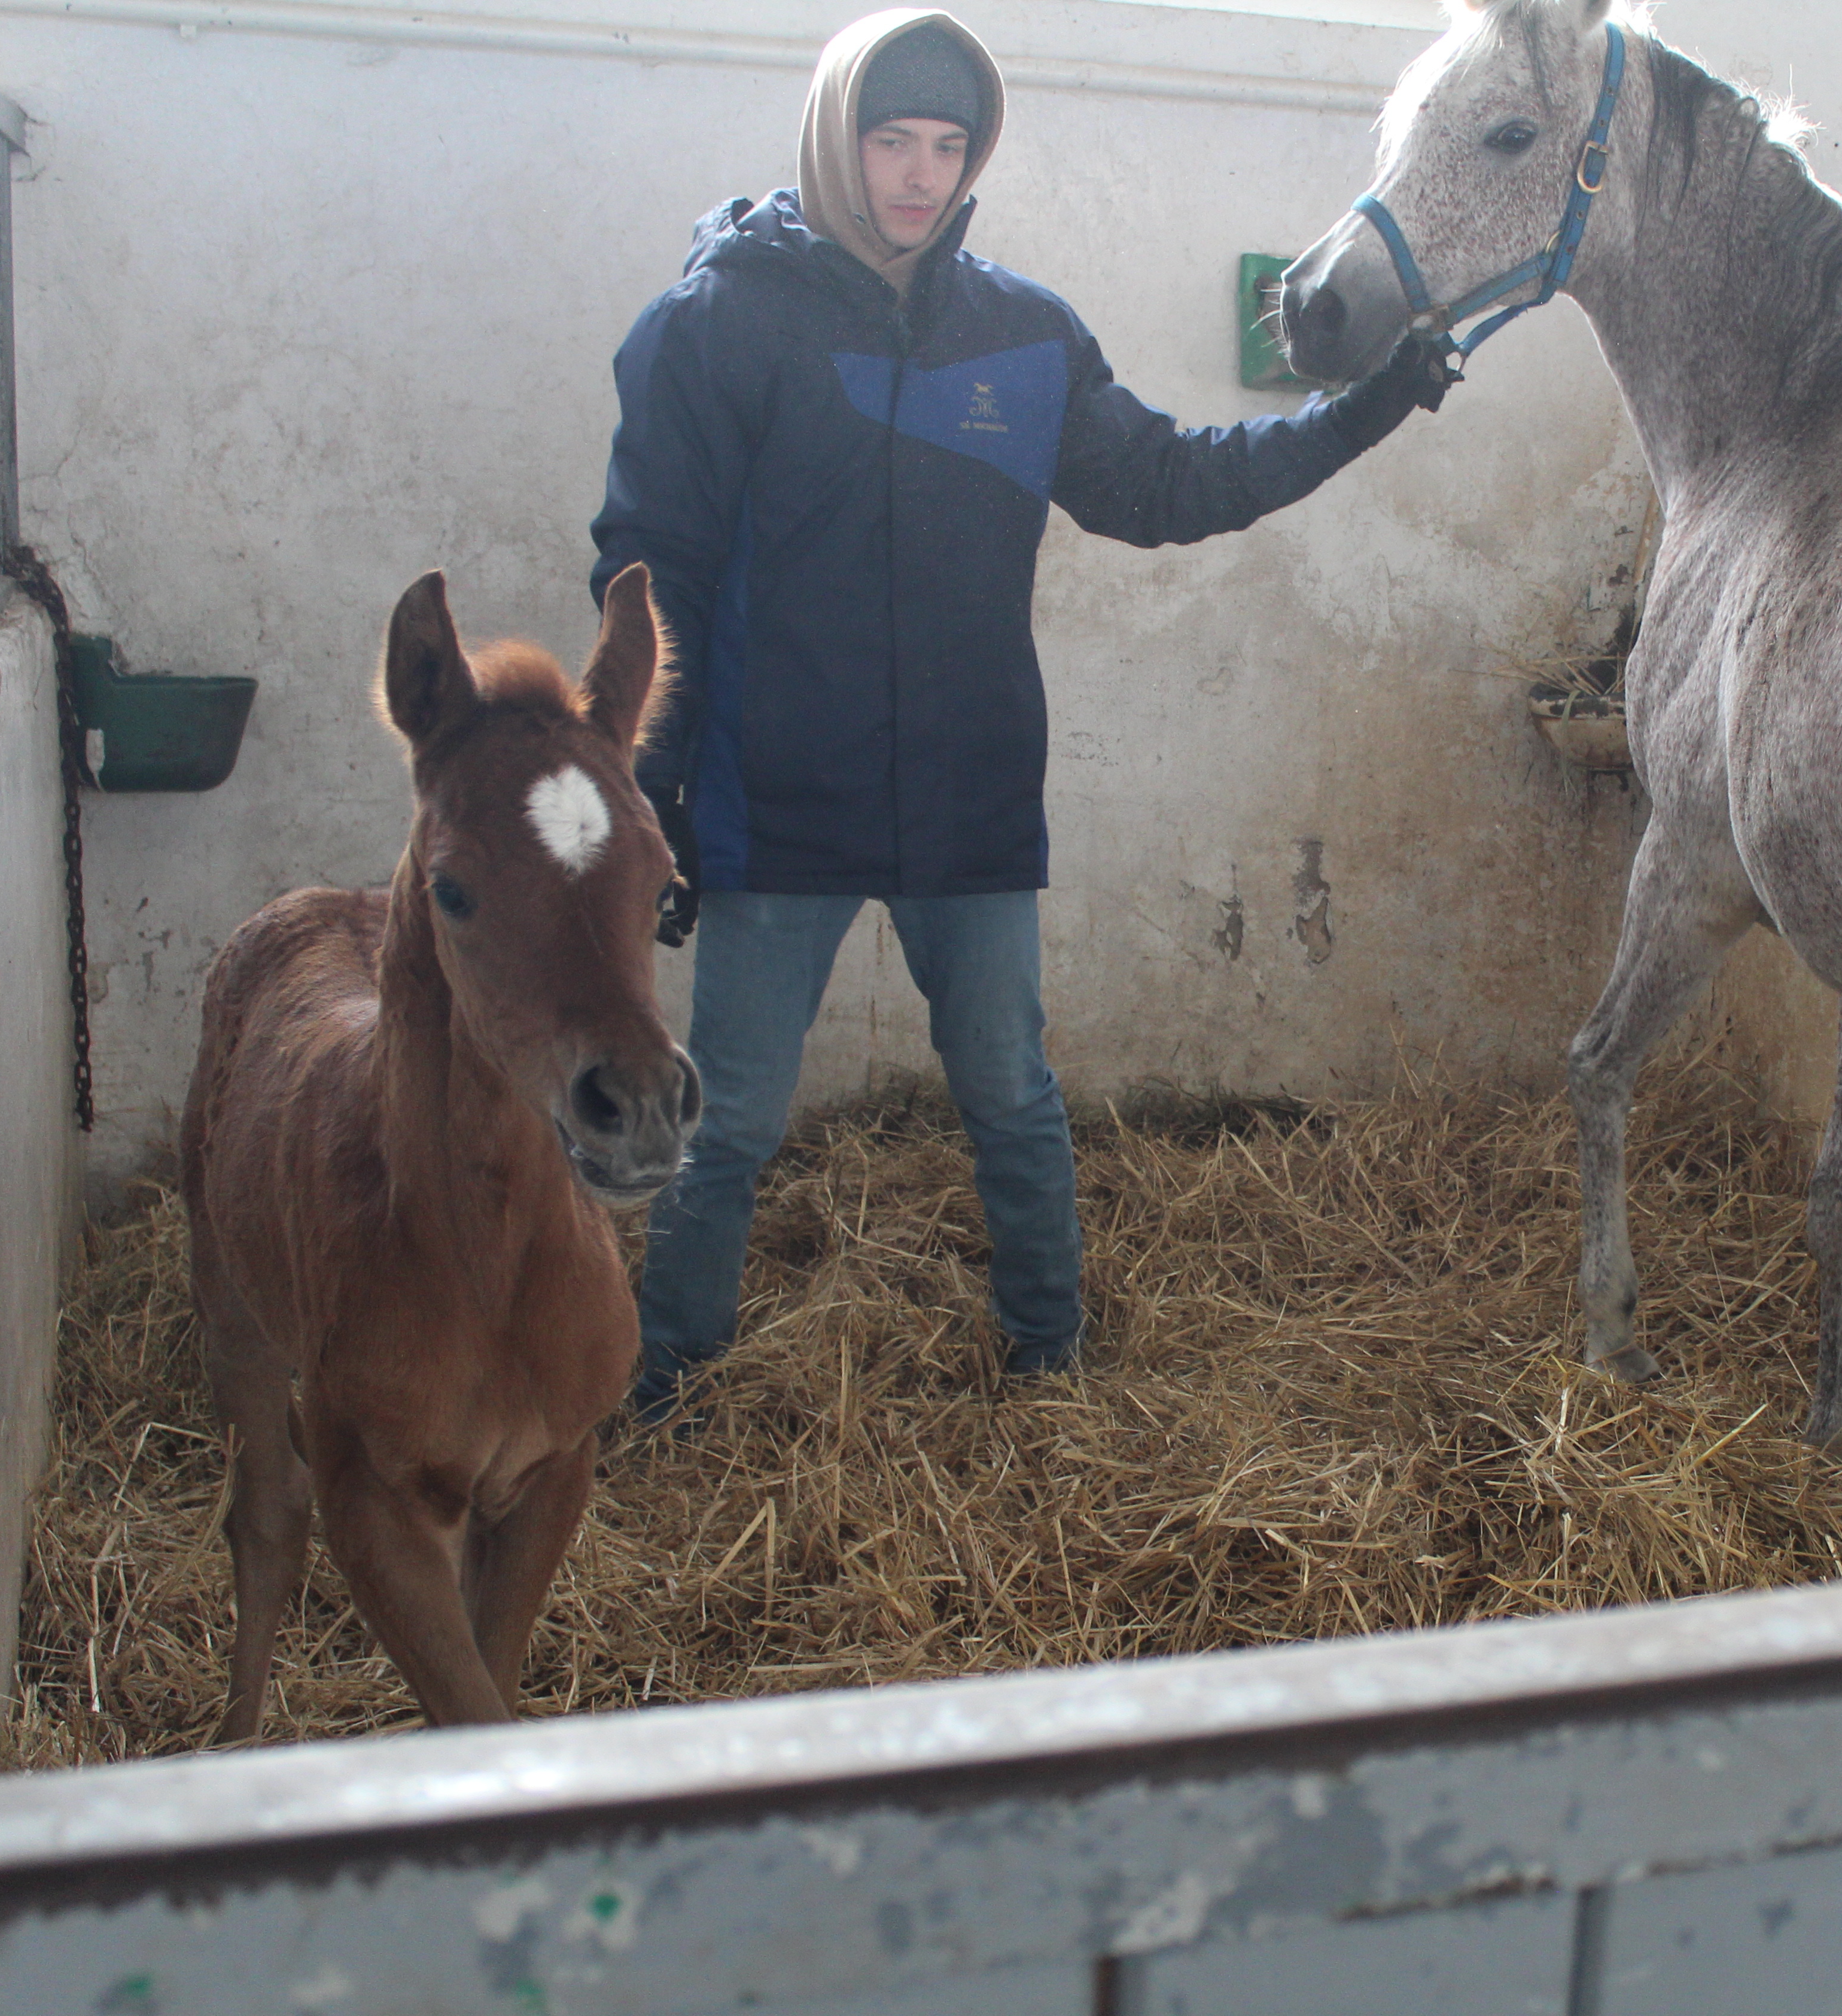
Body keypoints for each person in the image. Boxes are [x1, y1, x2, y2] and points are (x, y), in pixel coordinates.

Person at [592, 6, 1449, 1421]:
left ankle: (1050, 1360)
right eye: (890, 140)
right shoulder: (715, 323)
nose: (919, 174)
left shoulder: (1024, 334)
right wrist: (655, 785)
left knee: (1008, 1088)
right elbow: (650, 570)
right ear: (834, 136)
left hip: (967, 789)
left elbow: (1166, 486)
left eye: (948, 144)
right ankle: (665, 1380)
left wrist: (1355, 413)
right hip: (772, 791)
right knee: (731, 1119)